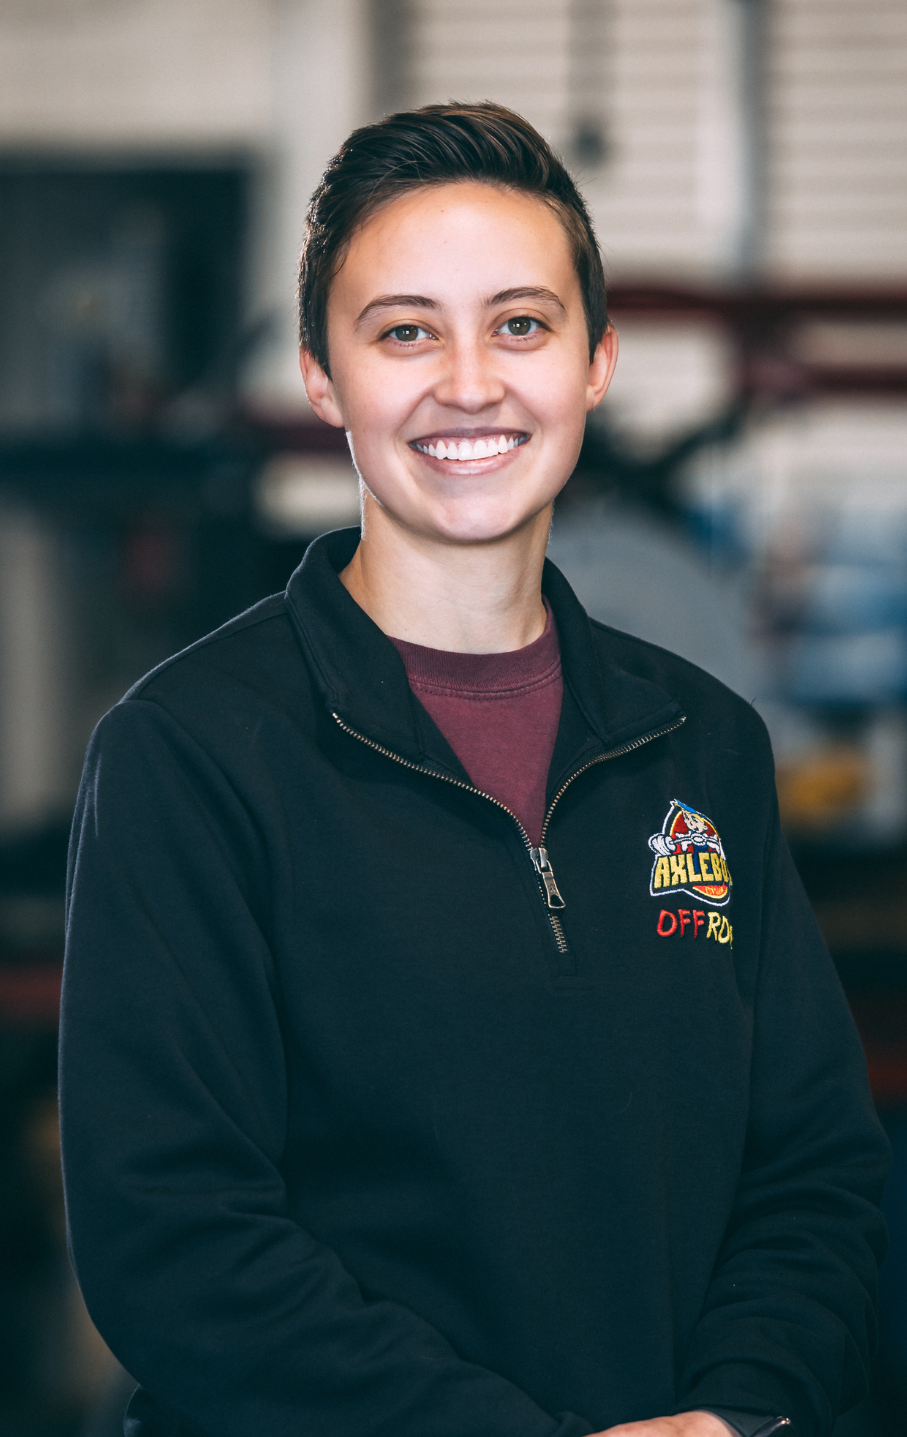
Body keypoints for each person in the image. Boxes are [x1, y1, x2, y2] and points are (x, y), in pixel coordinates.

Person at [59, 103, 888, 1437]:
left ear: (594, 361)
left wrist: (735, 1412)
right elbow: (176, 1240)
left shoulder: (703, 743)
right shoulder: (192, 752)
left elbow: (811, 1177)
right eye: (403, 331)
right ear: (324, 379)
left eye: (519, 324)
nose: (467, 382)